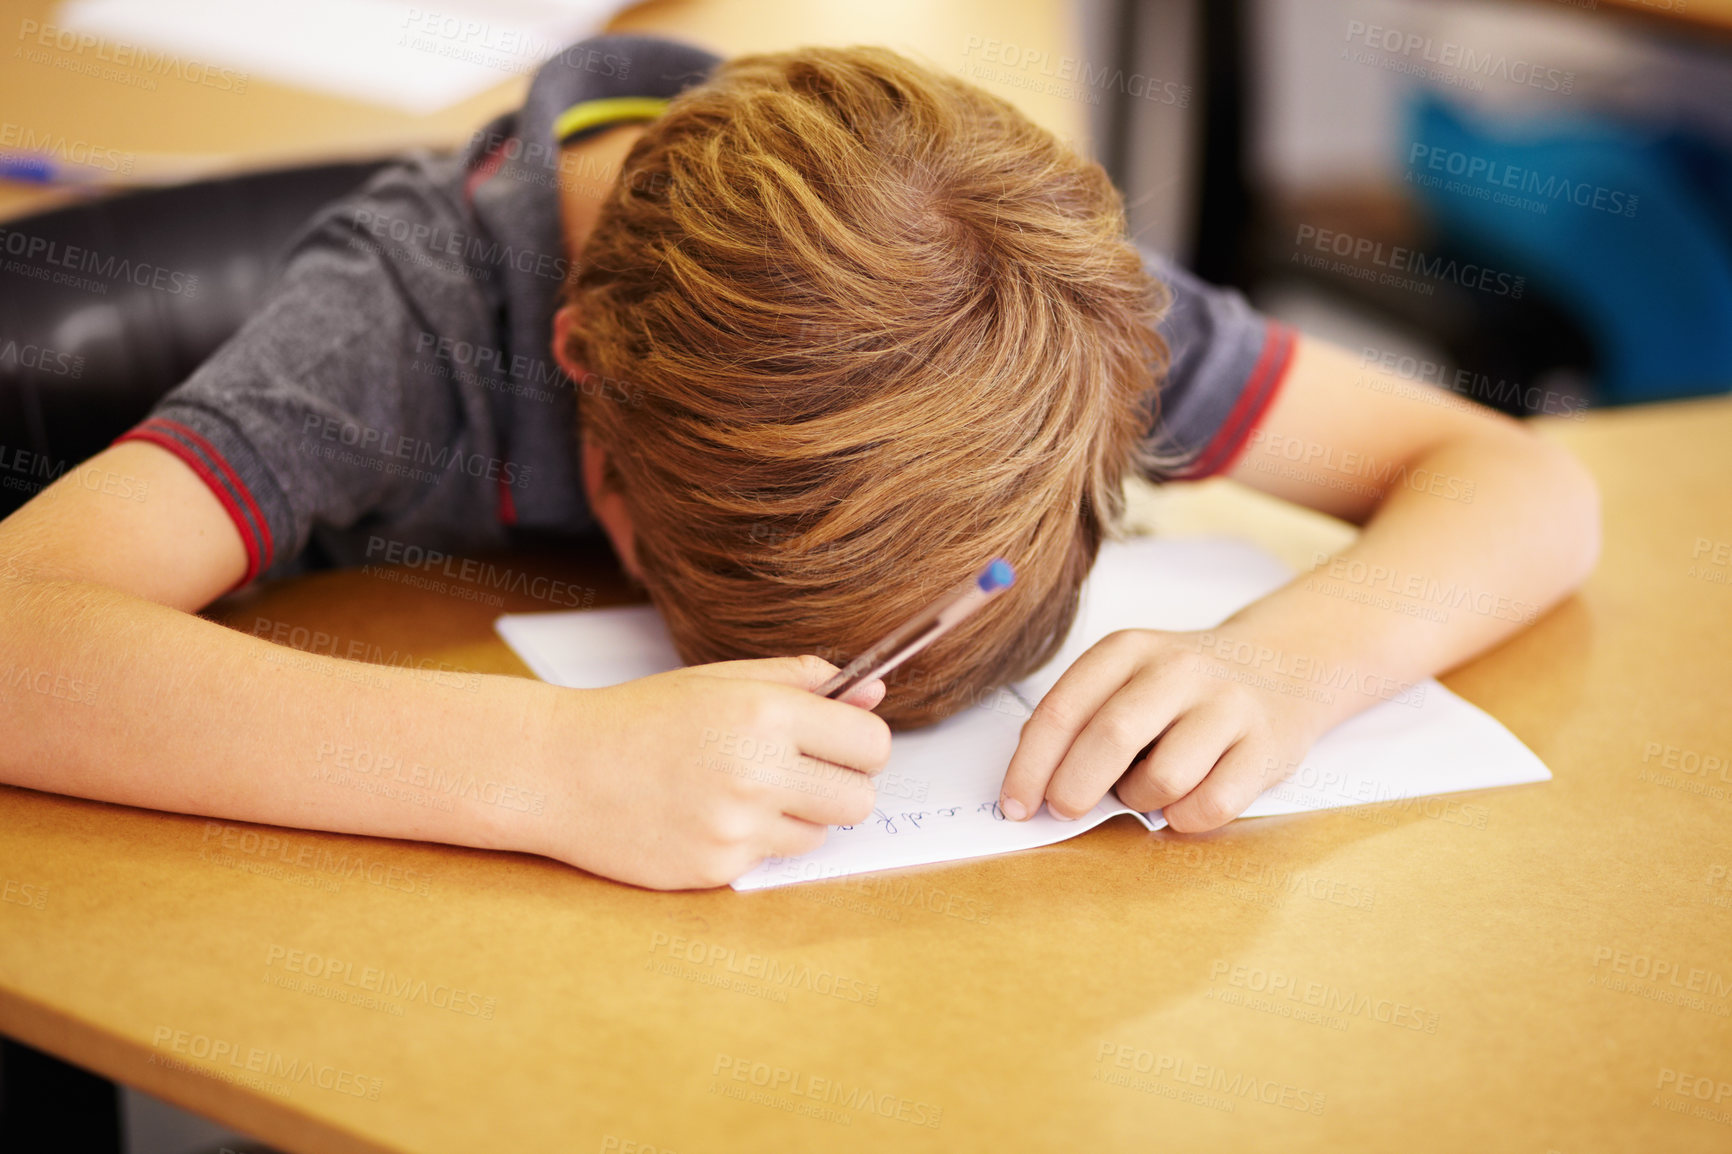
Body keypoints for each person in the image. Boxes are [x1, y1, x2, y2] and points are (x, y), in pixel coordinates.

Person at [0, 36, 1599, 890]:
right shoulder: (408, 324)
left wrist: (1289, 667)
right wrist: (552, 769)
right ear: (583, 388)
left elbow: (1522, 480)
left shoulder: (1016, 294)